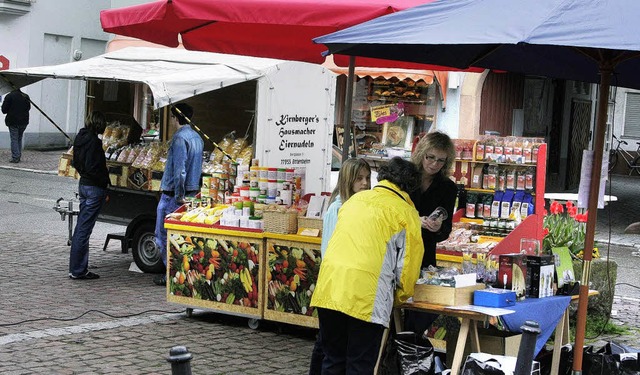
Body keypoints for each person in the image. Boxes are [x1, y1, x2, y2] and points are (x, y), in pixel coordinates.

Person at [310, 157, 424, 374]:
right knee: (359, 364)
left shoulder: (353, 201)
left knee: (333, 360)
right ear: (410, 187)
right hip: (367, 299)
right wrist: (399, 298)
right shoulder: (407, 214)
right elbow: (407, 269)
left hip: (330, 289)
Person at [308, 157, 371, 375]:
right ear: (347, 180)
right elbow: (332, 249)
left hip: (347, 288)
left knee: (334, 348)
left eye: (367, 178)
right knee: (333, 351)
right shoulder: (339, 209)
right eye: (359, 179)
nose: (364, 184)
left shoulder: (359, 208)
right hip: (336, 286)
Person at [404, 131, 458, 334]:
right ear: (422, 154)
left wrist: (438, 228)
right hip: (400, 249)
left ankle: (407, 347)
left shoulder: (447, 187)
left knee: (420, 309)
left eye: (441, 161)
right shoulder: (406, 178)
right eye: (431, 157)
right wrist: (413, 219)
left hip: (425, 254)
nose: (434, 164)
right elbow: (389, 213)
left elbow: (446, 229)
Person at [153, 103, 203, 286]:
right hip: (192, 191)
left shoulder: (180, 139)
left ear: (175, 118)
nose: (171, 121)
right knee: (183, 236)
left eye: (172, 118)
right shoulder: (197, 137)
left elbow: (179, 170)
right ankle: (181, 272)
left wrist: (178, 194)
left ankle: (170, 273)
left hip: (174, 195)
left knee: (163, 234)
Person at [69, 111, 109, 280]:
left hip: (84, 184)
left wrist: (84, 172)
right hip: (93, 187)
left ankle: (77, 267)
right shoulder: (94, 142)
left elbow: (75, 162)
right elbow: (95, 168)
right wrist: (104, 185)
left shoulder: (80, 138)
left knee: (81, 227)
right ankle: (78, 270)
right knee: (84, 230)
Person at [1, 89, 31, 163]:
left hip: (13, 121)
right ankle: (18, 155)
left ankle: (15, 157)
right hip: (24, 121)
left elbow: (4, 110)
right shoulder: (25, 96)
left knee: (14, 139)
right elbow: (28, 108)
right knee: (19, 138)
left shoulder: (9, 96)